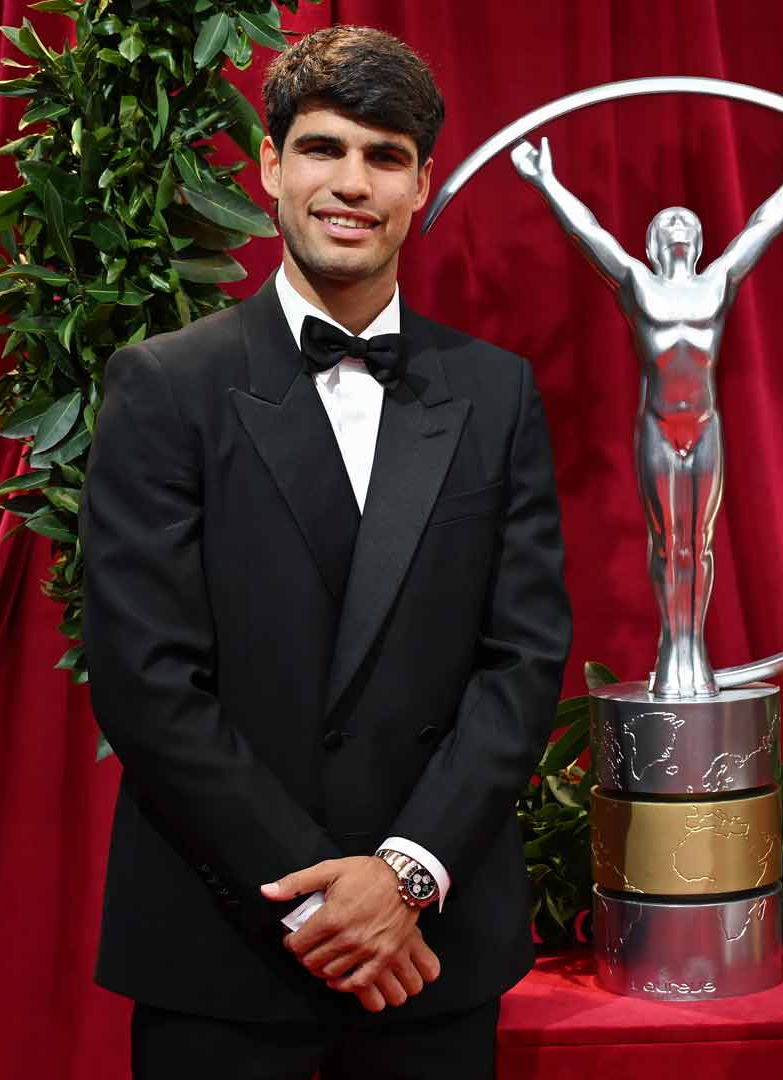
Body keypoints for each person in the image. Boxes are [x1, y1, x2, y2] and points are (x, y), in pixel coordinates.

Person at [80, 25, 571, 1079]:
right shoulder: (166, 386)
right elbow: (146, 681)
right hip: (223, 949)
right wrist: (318, 894)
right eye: (323, 148)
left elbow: (522, 663)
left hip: (429, 951)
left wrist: (400, 879)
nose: (351, 183)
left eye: (384, 156)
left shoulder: (495, 394)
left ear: (422, 185)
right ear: (268, 168)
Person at [508, 133, 783, 697]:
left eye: (687, 220)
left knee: (697, 543)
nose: (679, 224)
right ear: (656, 241)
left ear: (701, 240)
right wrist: (545, 181)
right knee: (666, 542)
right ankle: (671, 643)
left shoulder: (718, 282)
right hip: (658, 427)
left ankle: (692, 647)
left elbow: (761, 229)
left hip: (704, 429)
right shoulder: (637, 284)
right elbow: (590, 235)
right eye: (668, 221)